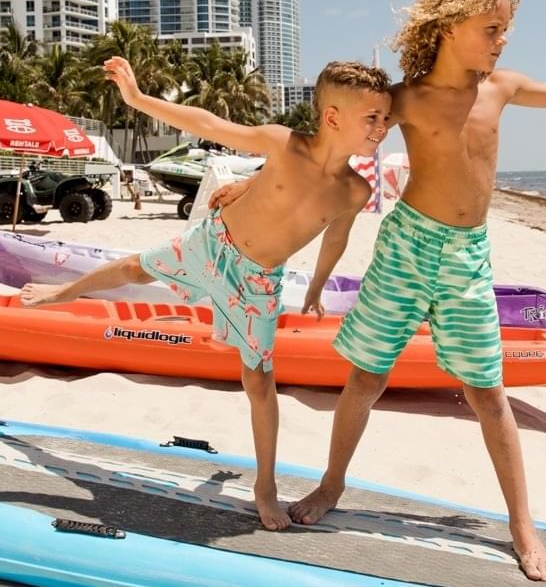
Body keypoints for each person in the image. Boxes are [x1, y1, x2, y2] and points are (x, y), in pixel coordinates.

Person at [220, 0, 546, 581]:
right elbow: (328, 141)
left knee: (487, 392)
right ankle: (331, 485)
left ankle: (522, 526)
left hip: (467, 257)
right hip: (406, 249)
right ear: (450, 26)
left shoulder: (500, 88)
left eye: (507, 30)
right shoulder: (408, 99)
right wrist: (253, 180)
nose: (502, 41)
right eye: (493, 28)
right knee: (366, 378)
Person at [20, 56, 392, 531]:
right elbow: (210, 123)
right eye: (372, 118)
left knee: (259, 381)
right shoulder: (283, 143)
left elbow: (335, 238)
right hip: (214, 243)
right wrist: (136, 99)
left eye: (385, 119)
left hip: (257, 282)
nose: (382, 128)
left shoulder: (355, 191)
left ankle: (265, 487)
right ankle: (64, 292)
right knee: (137, 267)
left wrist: (317, 286)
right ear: (333, 116)